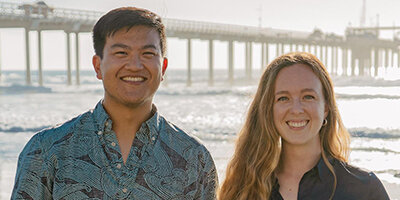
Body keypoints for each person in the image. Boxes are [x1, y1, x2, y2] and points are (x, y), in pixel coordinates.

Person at [12, 7, 218, 199]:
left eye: (148, 54)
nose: (135, 65)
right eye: (121, 53)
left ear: (163, 67)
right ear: (97, 66)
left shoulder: (194, 158)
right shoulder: (46, 150)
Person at [218, 52, 389, 200]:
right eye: (283, 98)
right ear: (268, 110)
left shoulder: (363, 189)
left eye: (308, 97)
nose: (296, 110)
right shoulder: (243, 189)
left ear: (326, 108)